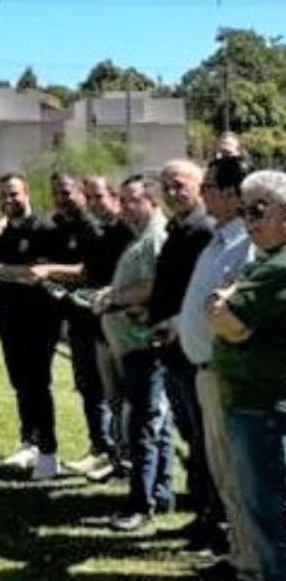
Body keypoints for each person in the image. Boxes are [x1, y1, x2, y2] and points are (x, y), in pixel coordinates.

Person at [174, 156, 257, 580]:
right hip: (205, 371)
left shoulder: (246, 245)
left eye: (208, 186)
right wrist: (177, 325)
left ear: (231, 195)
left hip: (227, 372)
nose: (202, 193)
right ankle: (240, 554)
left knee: (239, 474)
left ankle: (252, 562)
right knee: (223, 470)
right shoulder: (217, 239)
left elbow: (235, 311)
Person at [210, 169, 286, 581]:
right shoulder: (269, 262)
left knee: (272, 524)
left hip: (264, 411)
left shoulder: (277, 267)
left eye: (258, 210)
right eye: (244, 212)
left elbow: (228, 321)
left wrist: (219, 302)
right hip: (259, 407)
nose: (249, 221)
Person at [146, 159, 223, 549]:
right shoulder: (178, 230)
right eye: (166, 186)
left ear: (200, 187)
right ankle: (203, 513)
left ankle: (217, 522)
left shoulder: (206, 232)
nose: (172, 192)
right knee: (193, 438)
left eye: (179, 184)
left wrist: (175, 322)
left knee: (206, 442)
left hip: (194, 349)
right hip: (173, 350)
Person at [94, 175, 172, 532]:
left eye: (133, 200)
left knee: (143, 425)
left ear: (152, 201)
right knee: (155, 423)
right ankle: (161, 493)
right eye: (123, 200)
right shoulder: (140, 236)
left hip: (145, 345)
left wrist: (114, 297)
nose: (125, 207)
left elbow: (153, 285)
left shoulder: (155, 237)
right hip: (133, 345)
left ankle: (141, 503)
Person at [30, 173, 115, 478]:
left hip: (99, 318)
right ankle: (99, 448)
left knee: (102, 388)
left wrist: (50, 270)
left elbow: (86, 271)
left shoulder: (93, 227)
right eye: (56, 193)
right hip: (76, 319)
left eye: (66, 192)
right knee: (87, 385)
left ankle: (109, 451)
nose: (61, 199)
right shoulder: (59, 227)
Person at [0, 173, 61, 481]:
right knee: (20, 384)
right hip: (9, 317)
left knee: (38, 384)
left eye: (13, 194)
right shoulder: (2, 232)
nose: (8, 200)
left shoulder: (43, 229)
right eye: (3, 195)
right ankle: (29, 442)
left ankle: (49, 453)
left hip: (39, 318)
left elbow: (35, 273)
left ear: (26, 193)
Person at [81, 175, 136, 481]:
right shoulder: (98, 235)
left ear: (115, 197)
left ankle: (134, 462)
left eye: (99, 196)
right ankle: (119, 460)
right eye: (89, 198)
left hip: (129, 331)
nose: (94, 204)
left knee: (133, 402)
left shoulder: (132, 234)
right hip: (102, 329)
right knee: (114, 400)